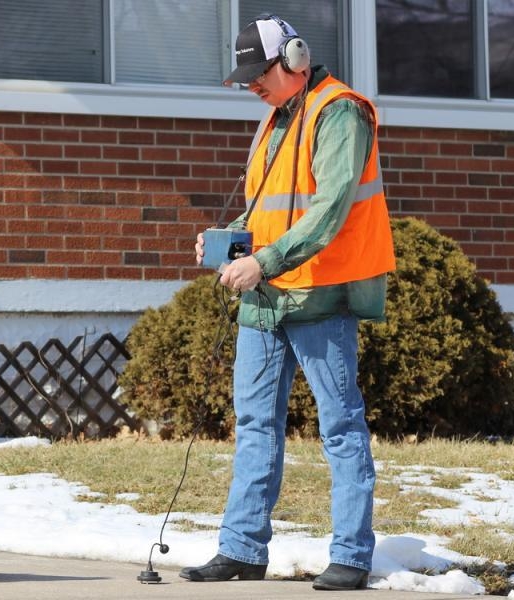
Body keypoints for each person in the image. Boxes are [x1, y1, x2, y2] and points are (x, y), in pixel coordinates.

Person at [180, 14, 396, 591]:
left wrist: (265, 261)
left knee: (340, 425)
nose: (251, 84)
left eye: (260, 72)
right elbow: (270, 208)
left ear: (295, 59)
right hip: (265, 297)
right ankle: (241, 549)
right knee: (254, 423)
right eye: (245, 76)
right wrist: (228, 239)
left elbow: (329, 210)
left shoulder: (340, 112)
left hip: (320, 294)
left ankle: (351, 556)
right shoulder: (275, 119)